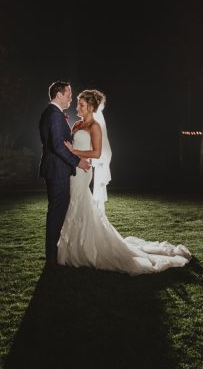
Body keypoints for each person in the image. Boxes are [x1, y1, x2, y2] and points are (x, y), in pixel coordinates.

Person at [57, 89, 191, 275]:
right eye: (78, 104)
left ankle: (82, 249)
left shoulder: (94, 127)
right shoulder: (77, 124)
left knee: (78, 203)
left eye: (81, 104)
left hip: (83, 171)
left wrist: (74, 153)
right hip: (73, 171)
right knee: (74, 204)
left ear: (91, 107)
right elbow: (70, 145)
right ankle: (74, 245)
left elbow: (96, 153)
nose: (77, 107)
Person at [39, 81, 91, 267]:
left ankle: (55, 253)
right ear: (59, 95)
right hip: (57, 170)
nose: (71, 96)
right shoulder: (53, 114)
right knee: (56, 212)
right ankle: (52, 257)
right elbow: (57, 145)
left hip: (57, 168)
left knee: (58, 211)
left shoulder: (54, 113)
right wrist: (77, 161)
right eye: (68, 93)